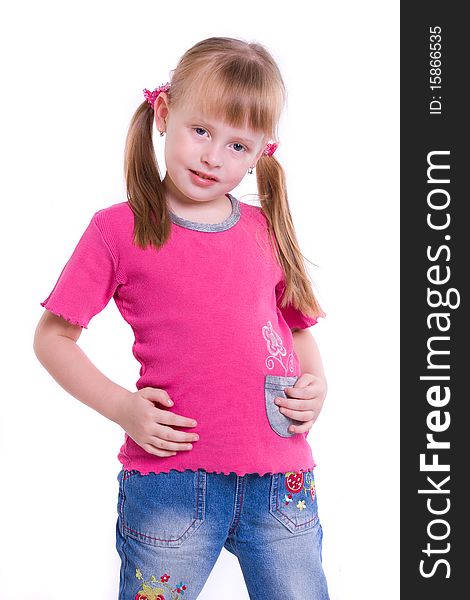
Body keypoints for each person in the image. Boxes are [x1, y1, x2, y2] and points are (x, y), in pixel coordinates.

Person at [33, 36, 330, 600]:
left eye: (238, 145)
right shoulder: (118, 229)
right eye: (202, 131)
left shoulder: (264, 228)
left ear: (263, 150)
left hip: (281, 479)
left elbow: (295, 326)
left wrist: (318, 387)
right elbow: (53, 339)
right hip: (172, 478)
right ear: (165, 114)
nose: (214, 157)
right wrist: (123, 408)